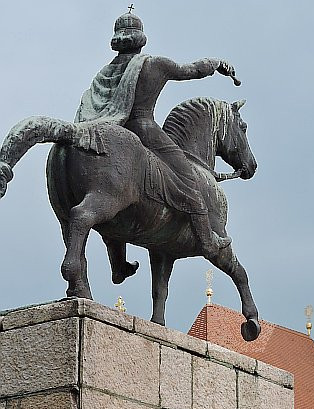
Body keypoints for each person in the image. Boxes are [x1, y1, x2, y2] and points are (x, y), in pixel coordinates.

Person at [76, 11, 239, 263]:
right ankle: (209, 240)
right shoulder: (153, 65)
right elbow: (192, 70)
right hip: (144, 129)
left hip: (114, 131)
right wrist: (215, 63)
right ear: (141, 40)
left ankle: (118, 263)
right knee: (188, 179)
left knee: (112, 185)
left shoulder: (104, 73)